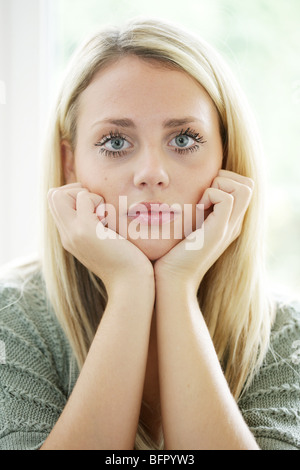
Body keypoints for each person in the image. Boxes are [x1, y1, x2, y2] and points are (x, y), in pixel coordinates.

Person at [0, 17, 299, 451]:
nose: (152, 174)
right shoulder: (13, 319)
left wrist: (176, 285)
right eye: (116, 143)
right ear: (70, 164)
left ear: (227, 157)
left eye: (184, 139)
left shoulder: (286, 335)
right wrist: (129, 285)